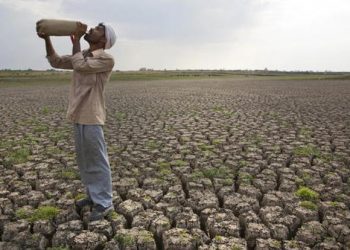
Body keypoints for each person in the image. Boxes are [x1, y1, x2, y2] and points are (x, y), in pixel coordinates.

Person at [37, 22, 116, 221]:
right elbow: (55, 61)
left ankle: (105, 203)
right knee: (84, 160)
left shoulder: (106, 58)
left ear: (104, 40)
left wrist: (77, 40)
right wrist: (47, 38)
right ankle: (92, 196)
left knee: (97, 160)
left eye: (98, 28)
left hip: (92, 115)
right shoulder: (83, 55)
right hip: (78, 114)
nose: (92, 29)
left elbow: (79, 64)